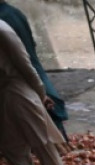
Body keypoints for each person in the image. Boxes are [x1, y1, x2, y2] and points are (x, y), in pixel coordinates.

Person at [0, 19, 69, 165]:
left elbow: (25, 64)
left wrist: (40, 93)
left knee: (41, 139)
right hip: (3, 93)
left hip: (18, 89)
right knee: (9, 144)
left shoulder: (3, 29)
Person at [0, 0, 68, 139]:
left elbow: (17, 56)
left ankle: (56, 142)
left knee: (41, 104)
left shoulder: (3, 20)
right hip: (30, 62)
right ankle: (61, 140)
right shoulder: (14, 12)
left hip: (21, 70)